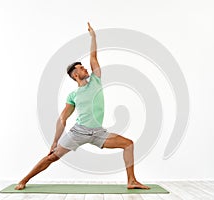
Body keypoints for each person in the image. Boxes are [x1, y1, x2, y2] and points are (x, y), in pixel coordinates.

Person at [15, 22, 149, 190]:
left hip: (99, 133)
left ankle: (131, 181)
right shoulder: (73, 96)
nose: (86, 68)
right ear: (76, 74)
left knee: (128, 144)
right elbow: (63, 118)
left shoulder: (96, 80)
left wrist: (93, 37)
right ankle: (24, 180)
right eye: (81, 68)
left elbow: (93, 57)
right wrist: (55, 141)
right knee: (51, 157)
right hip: (78, 132)